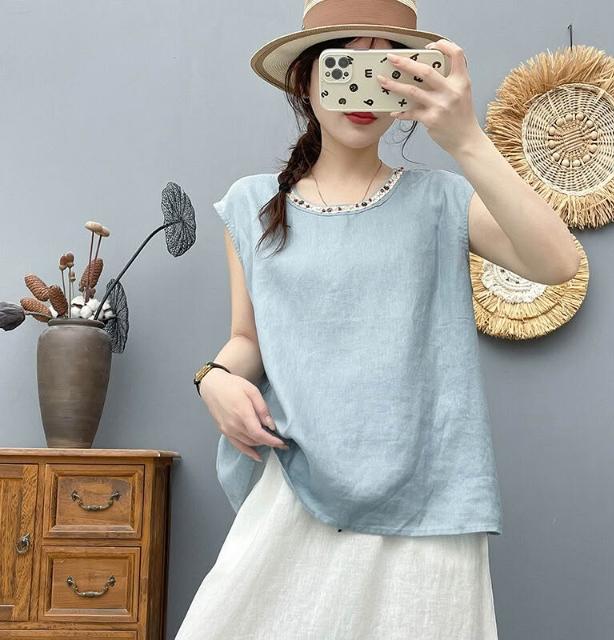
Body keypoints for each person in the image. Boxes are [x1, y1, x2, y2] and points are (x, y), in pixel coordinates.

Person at [177, 1, 581, 638]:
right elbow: (248, 338)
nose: (366, 86)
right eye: (346, 64)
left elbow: (558, 263)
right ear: (305, 78)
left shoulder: (442, 199)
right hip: (297, 481)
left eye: (388, 67)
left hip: (429, 493)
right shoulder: (253, 204)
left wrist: (466, 139)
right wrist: (214, 380)